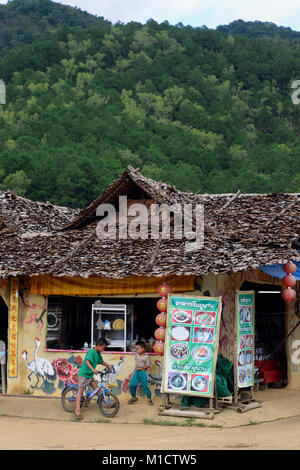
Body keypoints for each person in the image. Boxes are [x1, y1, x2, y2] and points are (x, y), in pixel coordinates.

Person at [74, 338, 113, 420]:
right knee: (80, 392)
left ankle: (105, 403)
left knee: (97, 389)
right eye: (103, 348)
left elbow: (101, 361)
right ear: (99, 346)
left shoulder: (98, 353)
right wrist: (93, 369)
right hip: (84, 374)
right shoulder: (91, 352)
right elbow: (87, 361)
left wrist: (108, 365)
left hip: (90, 375)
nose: (103, 349)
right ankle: (77, 411)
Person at [128, 340, 153, 406]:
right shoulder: (137, 355)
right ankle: (134, 397)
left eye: (138, 349)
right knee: (131, 384)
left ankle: (149, 398)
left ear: (143, 349)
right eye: (136, 349)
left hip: (143, 372)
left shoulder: (146, 357)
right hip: (136, 372)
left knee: (145, 386)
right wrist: (137, 369)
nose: (136, 350)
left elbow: (148, 365)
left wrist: (141, 368)